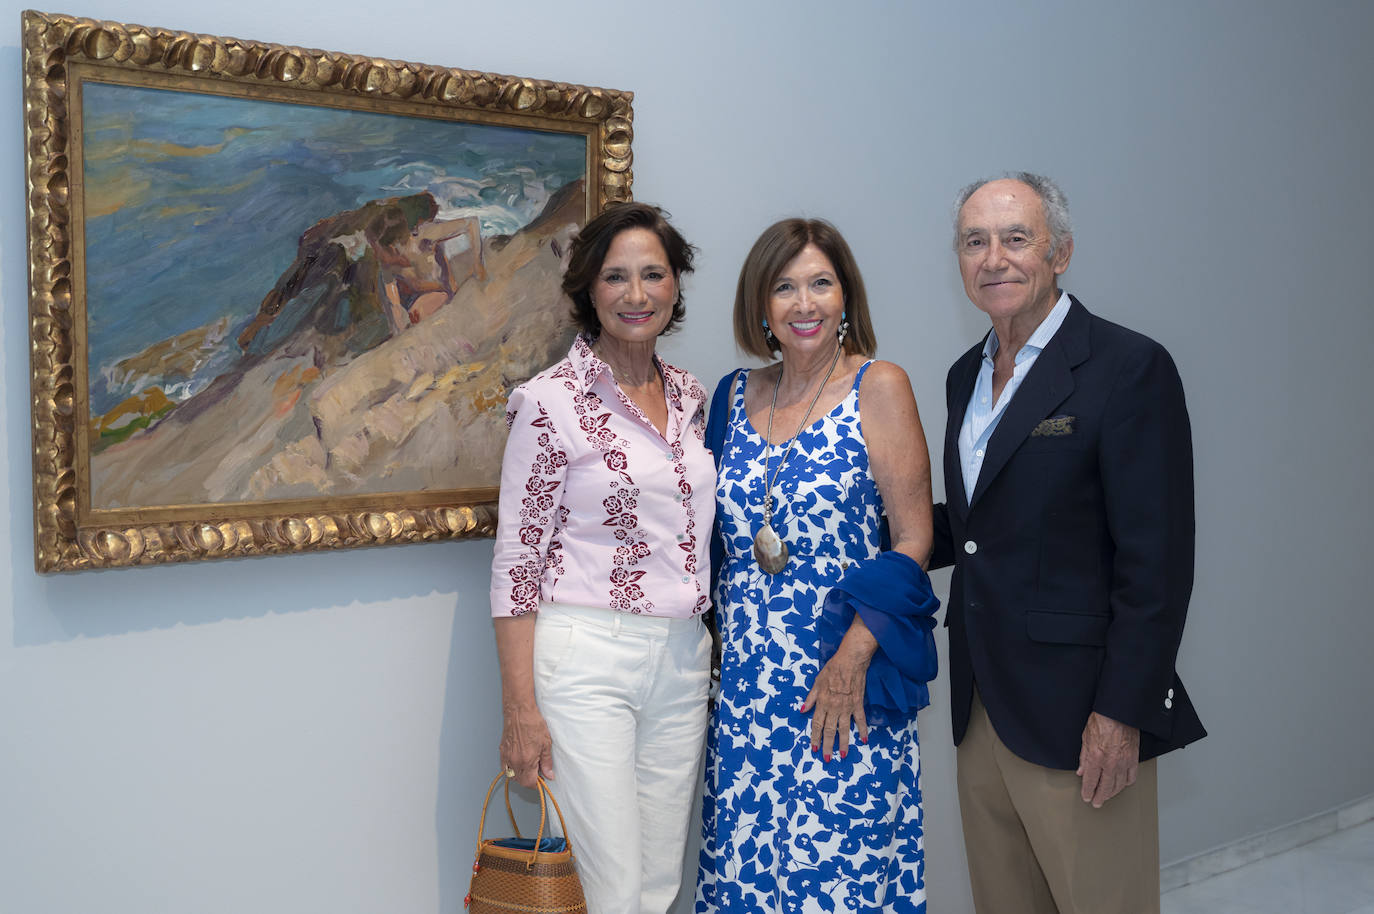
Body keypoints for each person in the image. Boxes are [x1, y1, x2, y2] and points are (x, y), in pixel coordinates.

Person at [930, 173, 1206, 914]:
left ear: (1061, 252)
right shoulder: (966, 375)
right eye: (974, 242)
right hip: (981, 704)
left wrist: (1122, 711)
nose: (994, 258)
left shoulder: (1127, 367)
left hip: (1083, 711)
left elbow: (1158, 562)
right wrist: (863, 530)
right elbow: (979, 524)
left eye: (1016, 239)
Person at [697, 219, 939, 913]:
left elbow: (915, 540)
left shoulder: (879, 385)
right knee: (746, 878)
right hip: (746, 697)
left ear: (845, 296)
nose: (804, 304)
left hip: (843, 683)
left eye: (820, 284)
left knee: (838, 880)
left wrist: (854, 655)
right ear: (761, 306)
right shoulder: (733, 396)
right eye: (784, 287)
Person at [489, 202, 714, 914]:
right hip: (585, 659)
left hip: (682, 659)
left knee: (656, 885)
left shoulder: (689, 396)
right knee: (610, 890)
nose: (636, 293)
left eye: (653, 274)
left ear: (675, 285)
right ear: (588, 290)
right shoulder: (548, 403)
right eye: (616, 277)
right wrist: (520, 708)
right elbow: (516, 561)